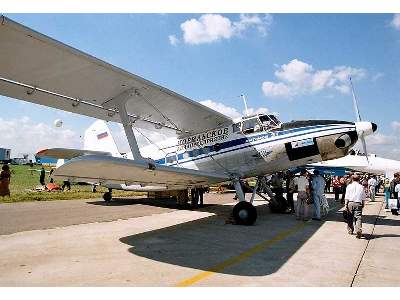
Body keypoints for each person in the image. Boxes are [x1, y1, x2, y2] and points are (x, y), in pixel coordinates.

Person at [345, 174, 366, 239]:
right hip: (358, 203)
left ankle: (350, 230)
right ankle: (359, 230)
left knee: (350, 217)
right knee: (358, 218)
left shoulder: (349, 186)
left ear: (352, 179)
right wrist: (363, 203)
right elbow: (363, 197)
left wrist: (346, 205)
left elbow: (347, 196)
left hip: (350, 203)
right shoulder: (361, 187)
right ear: (359, 179)